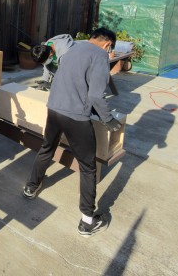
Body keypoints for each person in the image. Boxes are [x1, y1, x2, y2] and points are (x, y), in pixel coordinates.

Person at [22, 27, 122, 238]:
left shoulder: (72, 48)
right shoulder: (100, 56)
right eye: (110, 49)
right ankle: (87, 221)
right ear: (108, 44)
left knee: (47, 148)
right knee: (88, 167)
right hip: (75, 117)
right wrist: (108, 119)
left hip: (54, 109)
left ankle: (31, 187)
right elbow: (96, 95)